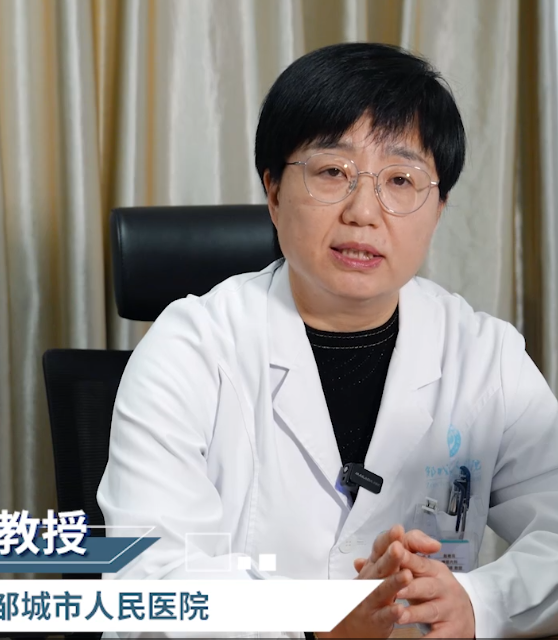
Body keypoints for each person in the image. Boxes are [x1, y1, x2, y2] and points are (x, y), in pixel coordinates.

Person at [97, 43, 558, 638]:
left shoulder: (485, 357)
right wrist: (315, 625)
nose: (363, 212)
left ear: (439, 208)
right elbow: (148, 585)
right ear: (273, 192)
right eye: (332, 172)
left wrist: (478, 603)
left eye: (401, 180)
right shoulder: (189, 350)